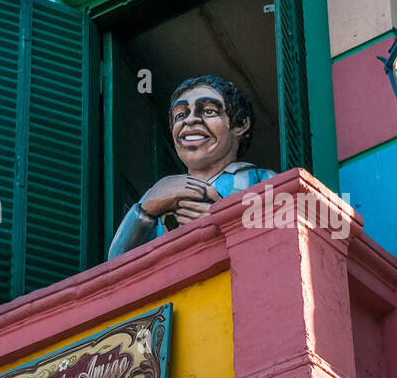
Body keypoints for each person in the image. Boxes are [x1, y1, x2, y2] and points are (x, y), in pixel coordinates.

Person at [107, 75, 276, 259]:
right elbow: (116, 261)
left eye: (209, 111)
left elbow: (283, 245)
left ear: (240, 124)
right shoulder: (156, 195)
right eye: (180, 115)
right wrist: (146, 210)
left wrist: (226, 223)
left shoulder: (262, 180)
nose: (190, 120)